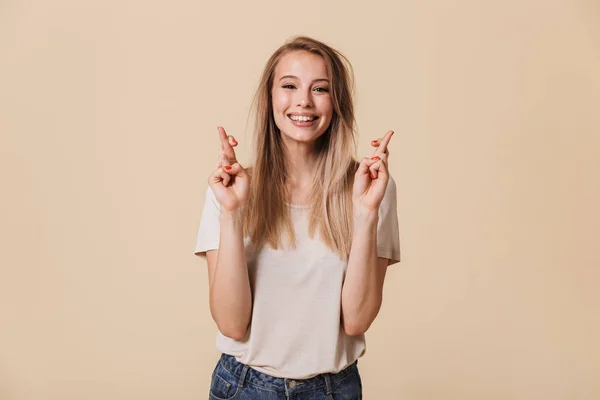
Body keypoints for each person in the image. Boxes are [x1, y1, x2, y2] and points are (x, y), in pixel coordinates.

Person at [194, 36, 400, 400]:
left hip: (333, 389)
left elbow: (356, 321)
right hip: (242, 387)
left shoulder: (369, 189)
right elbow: (231, 323)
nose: (303, 100)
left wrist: (365, 214)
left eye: (320, 89)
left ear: (337, 104)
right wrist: (233, 213)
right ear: (270, 98)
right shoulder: (230, 190)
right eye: (289, 85)